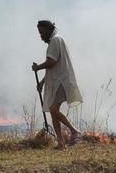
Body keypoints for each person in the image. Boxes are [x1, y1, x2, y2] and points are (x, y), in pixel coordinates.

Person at [32, 20, 83, 149]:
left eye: (43, 33)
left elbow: (51, 62)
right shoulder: (56, 40)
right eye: (40, 33)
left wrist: (38, 67)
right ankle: (60, 143)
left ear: (49, 30)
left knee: (53, 109)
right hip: (59, 80)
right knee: (53, 111)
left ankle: (75, 131)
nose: (41, 36)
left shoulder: (55, 40)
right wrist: (42, 82)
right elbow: (53, 68)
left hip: (62, 81)